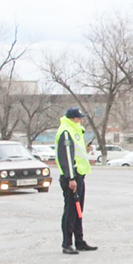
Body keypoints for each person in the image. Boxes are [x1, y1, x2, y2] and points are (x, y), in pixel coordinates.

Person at [55, 107, 97, 255]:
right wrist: (71, 178)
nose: (81, 120)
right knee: (70, 211)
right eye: (79, 118)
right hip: (71, 178)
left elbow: (75, 153)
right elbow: (66, 157)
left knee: (78, 211)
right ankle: (67, 243)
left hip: (79, 175)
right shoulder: (66, 131)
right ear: (73, 118)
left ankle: (79, 241)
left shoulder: (75, 130)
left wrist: (85, 149)